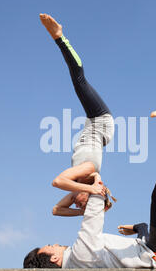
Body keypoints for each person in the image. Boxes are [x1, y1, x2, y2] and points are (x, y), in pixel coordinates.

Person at [23, 107, 156, 269]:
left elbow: (58, 209)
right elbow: (92, 217)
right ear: (54, 258)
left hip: (149, 249)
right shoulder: (79, 254)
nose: (54, 243)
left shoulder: (78, 263)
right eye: (50, 246)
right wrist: (95, 183)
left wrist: (137, 228)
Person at [39, 13, 116, 214]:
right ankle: (59, 37)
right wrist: (90, 189)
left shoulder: (79, 183)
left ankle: (59, 37)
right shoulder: (89, 170)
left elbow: (56, 210)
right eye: (81, 203)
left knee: (79, 83)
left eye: (78, 205)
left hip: (94, 129)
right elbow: (57, 181)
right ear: (89, 194)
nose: (75, 203)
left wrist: (83, 211)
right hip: (101, 122)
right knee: (79, 81)